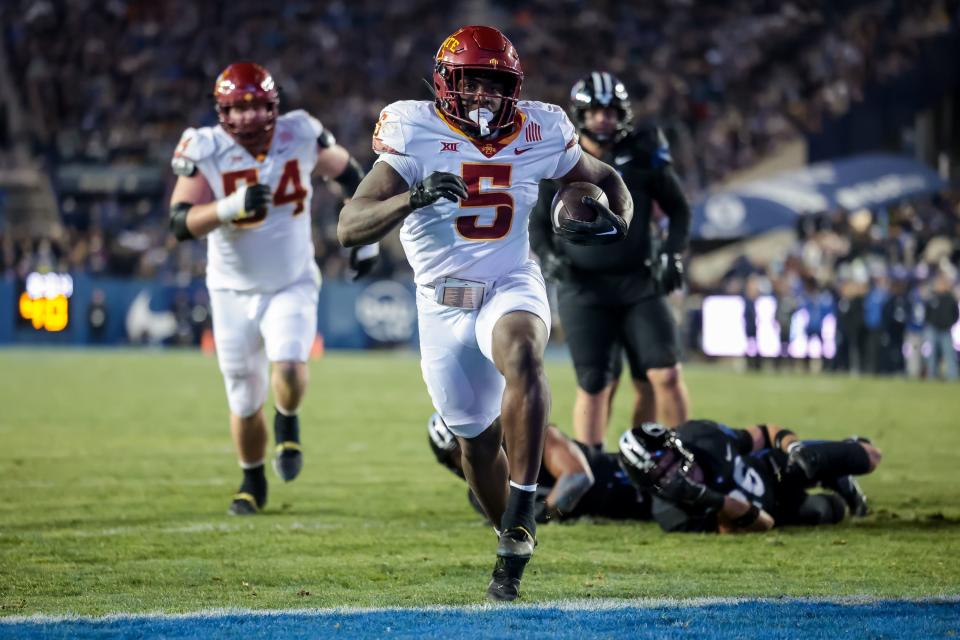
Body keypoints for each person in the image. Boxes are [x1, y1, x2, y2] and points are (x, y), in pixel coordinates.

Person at [338, 27, 633, 601]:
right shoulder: (413, 128)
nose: (481, 94)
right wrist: (413, 198)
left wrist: (618, 221)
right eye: (470, 81)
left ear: (512, 88)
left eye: (493, 83)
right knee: (474, 440)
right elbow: (350, 225)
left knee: (523, 356)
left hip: (508, 280)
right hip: (441, 303)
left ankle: (522, 514)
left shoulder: (541, 128)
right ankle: (510, 533)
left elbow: (605, 179)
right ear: (446, 83)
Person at [167, 62, 371, 516]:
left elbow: (351, 175)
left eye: (255, 106)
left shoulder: (300, 132)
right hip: (230, 290)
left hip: (291, 281)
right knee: (242, 397)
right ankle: (252, 479)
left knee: (292, 367)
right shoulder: (205, 146)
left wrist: (366, 233)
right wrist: (227, 207)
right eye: (235, 109)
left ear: (272, 106)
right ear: (221, 111)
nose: (245, 118)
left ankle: (288, 419)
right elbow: (179, 222)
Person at [529, 71, 692, 449]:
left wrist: (671, 253)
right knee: (596, 383)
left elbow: (679, 209)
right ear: (581, 114)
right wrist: (550, 258)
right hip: (582, 286)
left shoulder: (645, 150)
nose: (604, 118)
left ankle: (672, 457)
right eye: (596, 110)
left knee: (663, 375)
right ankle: (594, 466)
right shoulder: (558, 154)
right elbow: (536, 225)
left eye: (611, 110)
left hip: (640, 280)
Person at [618, 420, 881, 534]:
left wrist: (795, 448)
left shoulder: (699, 436)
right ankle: (835, 482)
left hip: (773, 469)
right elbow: (762, 524)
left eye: (668, 457)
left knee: (868, 456)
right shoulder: (670, 514)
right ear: (646, 482)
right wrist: (707, 498)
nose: (672, 468)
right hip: (774, 511)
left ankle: (832, 474)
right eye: (660, 469)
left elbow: (766, 433)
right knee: (828, 510)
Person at [428, 413, 651, 524]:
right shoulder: (479, 496)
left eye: (471, 442)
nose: (471, 452)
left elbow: (577, 478)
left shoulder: (530, 436)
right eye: (460, 452)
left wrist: (541, 512)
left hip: (641, 481)